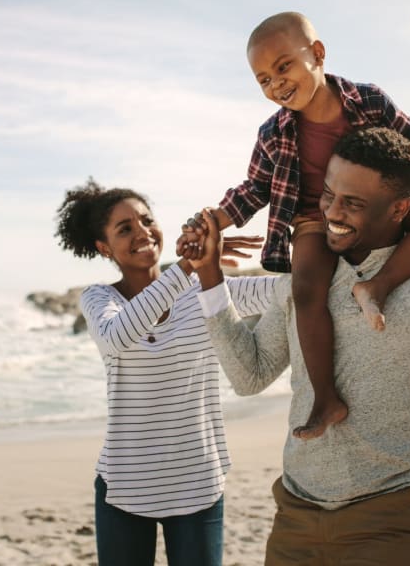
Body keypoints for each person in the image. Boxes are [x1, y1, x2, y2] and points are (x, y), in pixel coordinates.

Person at [179, 11, 410, 440]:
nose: (277, 84)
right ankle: (326, 399)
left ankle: (377, 286)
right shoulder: (273, 133)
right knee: (306, 287)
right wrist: (217, 218)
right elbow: (255, 188)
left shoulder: (368, 101)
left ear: (318, 54)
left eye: (284, 66)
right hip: (314, 219)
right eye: (264, 80)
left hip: (378, 212)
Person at [187, 126, 410, 565]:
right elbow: (249, 375)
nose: (331, 212)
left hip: (392, 517)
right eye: (329, 194)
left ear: (401, 208)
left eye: (353, 203)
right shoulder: (305, 277)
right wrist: (210, 277)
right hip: (296, 513)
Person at [54, 178, 276, 566]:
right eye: (125, 229)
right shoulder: (99, 299)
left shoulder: (206, 289)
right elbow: (118, 336)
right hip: (125, 487)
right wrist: (188, 267)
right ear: (104, 247)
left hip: (198, 484)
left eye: (146, 220)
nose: (142, 232)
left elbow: (287, 291)